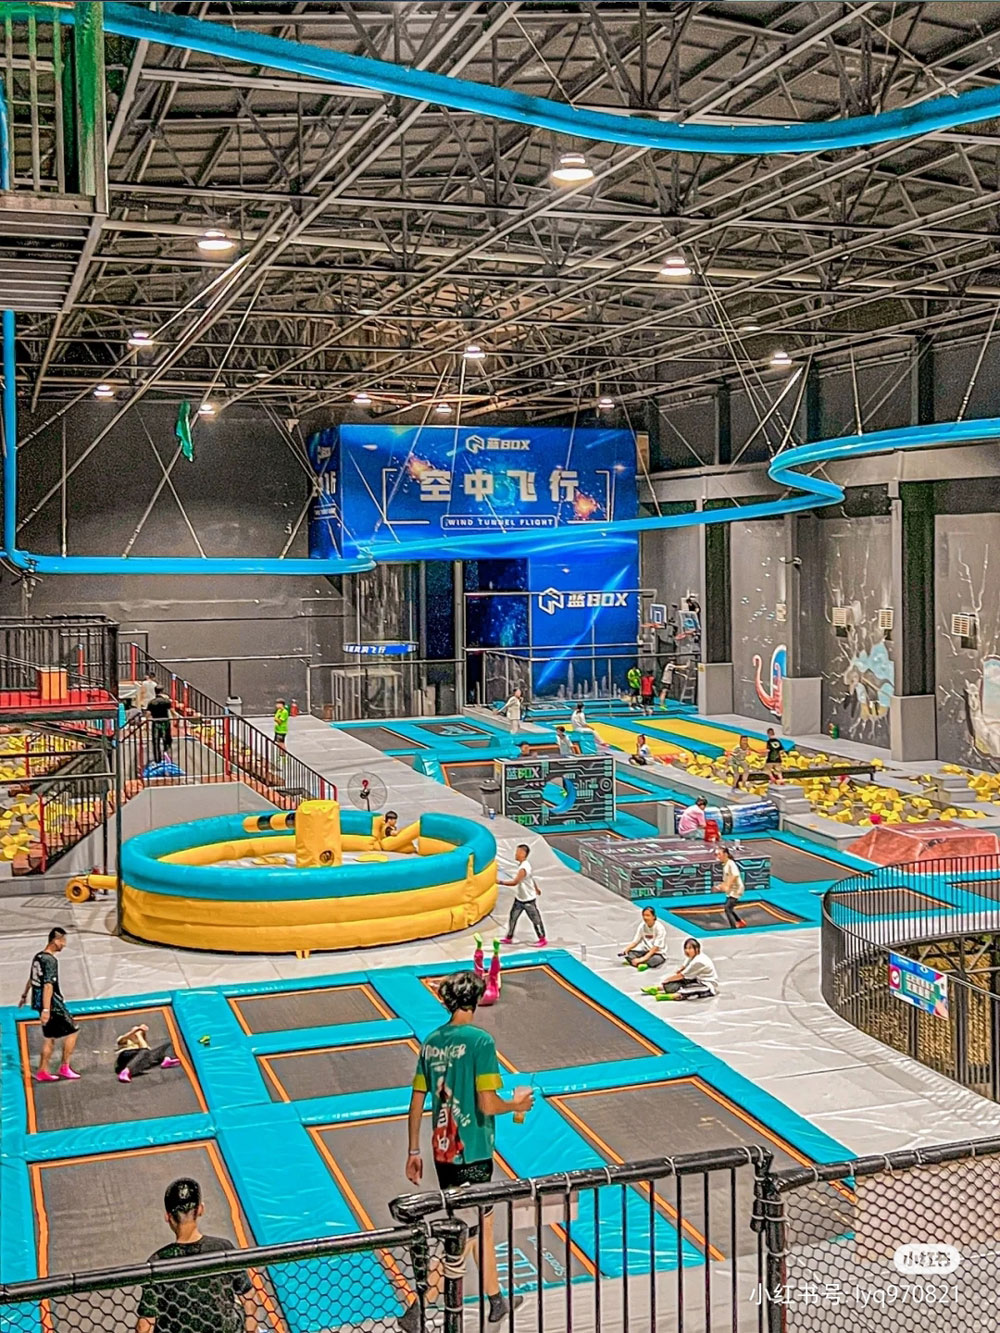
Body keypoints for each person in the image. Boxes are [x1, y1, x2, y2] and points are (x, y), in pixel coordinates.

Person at [404, 972, 532, 1330]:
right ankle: (419, 1306)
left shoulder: (431, 1042)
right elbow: (487, 1104)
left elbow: (416, 1100)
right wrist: (517, 1104)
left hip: (442, 1152)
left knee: (480, 1224)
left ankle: (496, 1299)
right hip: (474, 1152)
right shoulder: (481, 1042)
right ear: (476, 1000)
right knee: (468, 1231)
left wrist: (413, 1150)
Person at [136, 1178, 256, 1333]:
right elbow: (249, 1296)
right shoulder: (223, 1248)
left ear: (168, 1217)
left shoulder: (157, 1262)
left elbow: (145, 1325)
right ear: (200, 1210)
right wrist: (250, 1327)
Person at [20, 927, 79, 1082]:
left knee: (49, 1037)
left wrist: (24, 995)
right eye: (63, 941)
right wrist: (47, 1009)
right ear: (55, 940)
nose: (64, 944)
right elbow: (48, 985)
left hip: (39, 1001)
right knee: (73, 1030)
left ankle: (42, 1070)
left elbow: (32, 978)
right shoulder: (50, 960)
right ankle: (65, 1067)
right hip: (52, 1003)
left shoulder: (38, 956)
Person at [499, 844, 547, 945]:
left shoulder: (523, 868)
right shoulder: (523, 865)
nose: (516, 854)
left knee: (535, 920)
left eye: (518, 852)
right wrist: (536, 888)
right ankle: (509, 937)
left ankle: (542, 938)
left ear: (523, 854)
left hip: (528, 900)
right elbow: (530, 878)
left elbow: (515, 882)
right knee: (513, 918)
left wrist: (500, 882)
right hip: (520, 898)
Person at [647, 938, 719, 1002]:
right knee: (679, 982)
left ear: (696, 949)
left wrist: (667, 980)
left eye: (690, 948)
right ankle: (658, 989)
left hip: (707, 984)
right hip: (696, 979)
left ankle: (674, 996)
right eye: (686, 948)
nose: (687, 950)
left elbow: (682, 975)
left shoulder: (699, 961)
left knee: (688, 990)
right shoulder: (692, 956)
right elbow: (683, 967)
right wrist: (674, 978)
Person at [115, 1023, 183, 1083]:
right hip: (126, 1056)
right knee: (145, 1052)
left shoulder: (140, 1044)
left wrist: (140, 1036)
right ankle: (126, 1072)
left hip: (139, 1057)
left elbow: (146, 1050)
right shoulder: (126, 1040)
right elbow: (122, 1039)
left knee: (168, 1045)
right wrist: (135, 1030)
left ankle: (166, 1060)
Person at [717, 845, 747, 929]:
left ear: (725, 854)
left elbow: (735, 875)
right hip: (731, 890)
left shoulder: (731, 863)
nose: (718, 857)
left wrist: (727, 885)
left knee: (727, 908)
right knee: (729, 908)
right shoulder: (726, 864)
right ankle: (740, 921)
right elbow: (727, 878)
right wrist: (722, 886)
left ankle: (733, 928)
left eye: (719, 854)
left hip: (736, 889)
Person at [146, 686, 176, 763]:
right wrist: (176, 720)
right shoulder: (166, 701)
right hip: (165, 722)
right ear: (162, 691)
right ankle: (167, 757)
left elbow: (148, 714)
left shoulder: (152, 702)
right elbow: (172, 711)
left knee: (156, 742)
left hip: (156, 722)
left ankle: (157, 759)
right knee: (167, 740)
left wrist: (145, 723)